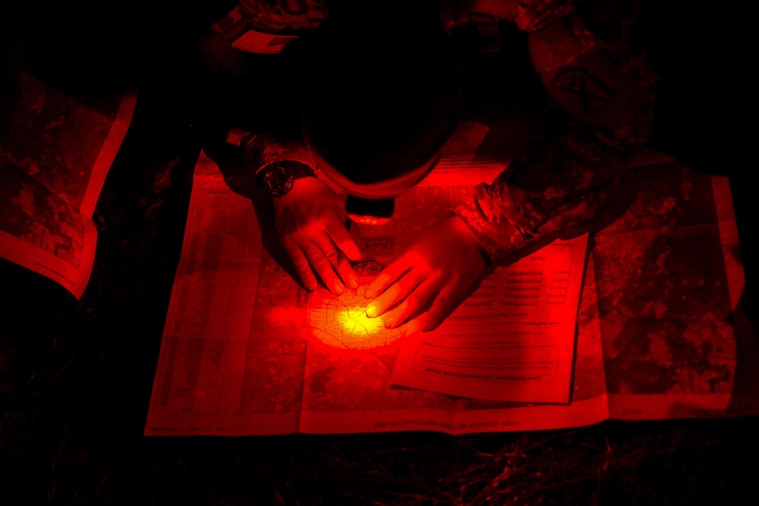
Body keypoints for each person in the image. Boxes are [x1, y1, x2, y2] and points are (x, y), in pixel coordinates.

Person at [196, 0, 661, 332]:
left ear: (461, 89)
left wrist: (486, 227)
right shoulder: (257, 4)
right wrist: (287, 168)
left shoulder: (569, 14)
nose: (368, 213)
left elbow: (619, 123)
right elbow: (217, 68)